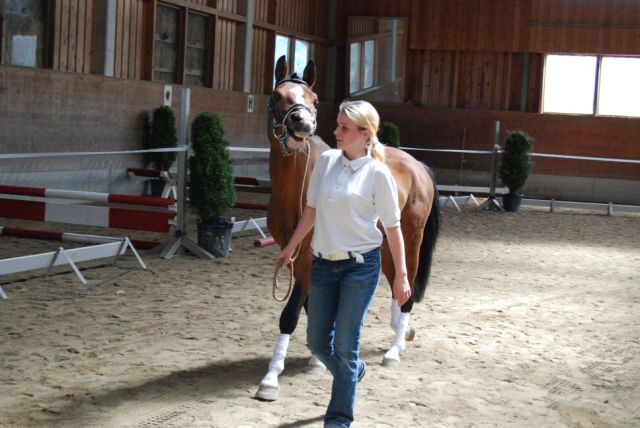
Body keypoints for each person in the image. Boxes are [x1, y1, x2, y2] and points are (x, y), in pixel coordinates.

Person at [275, 100, 411, 428]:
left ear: (365, 133)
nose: (335, 131)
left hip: (360, 268)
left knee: (347, 345)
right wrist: (291, 247)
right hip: (323, 266)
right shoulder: (326, 162)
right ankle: (353, 372)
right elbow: (312, 210)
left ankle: (338, 420)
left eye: (343, 128)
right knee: (317, 342)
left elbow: (393, 229)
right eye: (336, 125)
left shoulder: (378, 174)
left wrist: (402, 276)